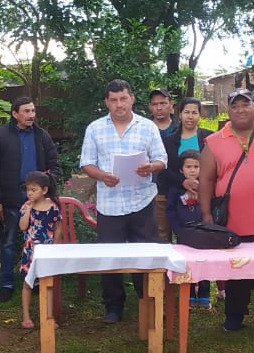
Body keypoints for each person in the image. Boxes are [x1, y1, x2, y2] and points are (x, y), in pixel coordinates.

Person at [79, 79, 168, 323]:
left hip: (142, 201)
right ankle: (113, 306)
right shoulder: (95, 128)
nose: (119, 104)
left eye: (123, 99)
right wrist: (102, 175)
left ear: (132, 99)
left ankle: (149, 299)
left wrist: (150, 166)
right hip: (110, 204)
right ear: (107, 102)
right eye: (114, 100)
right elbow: (87, 163)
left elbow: (162, 159)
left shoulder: (147, 127)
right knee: (110, 256)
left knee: (146, 254)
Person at [199, 87, 254, 332]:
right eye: (234, 106)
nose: (240, 110)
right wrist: (206, 214)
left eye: (245, 104)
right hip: (234, 221)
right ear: (228, 111)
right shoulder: (214, 141)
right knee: (237, 271)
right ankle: (235, 315)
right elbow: (206, 180)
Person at [0, 96, 59, 302]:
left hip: (38, 203)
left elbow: (54, 164)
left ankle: (36, 280)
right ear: (15, 114)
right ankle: (6, 284)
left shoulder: (42, 136)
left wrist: (46, 188)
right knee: (8, 243)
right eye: (26, 111)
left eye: (33, 111)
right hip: (10, 198)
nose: (31, 115)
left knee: (38, 242)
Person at [165, 150, 211, 309]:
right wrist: (177, 229)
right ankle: (189, 293)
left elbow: (211, 206)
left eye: (196, 167)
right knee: (186, 262)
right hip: (183, 233)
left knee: (204, 261)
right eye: (188, 167)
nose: (192, 170)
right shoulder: (175, 190)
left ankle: (204, 294)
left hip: (203, 233)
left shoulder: (206, 186)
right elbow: (170, 211)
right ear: (181, 169)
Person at [17, 170, 61, 330]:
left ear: (44, 190)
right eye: (28, 189)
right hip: (30, 252)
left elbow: (58, 227)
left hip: (46, 252)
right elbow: (22, 227)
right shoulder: (26, 206)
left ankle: (49, 317)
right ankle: (26, 316)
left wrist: (54, 246)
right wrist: (28, 211)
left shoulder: (52, 207)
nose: (29, 193)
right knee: (27, 283)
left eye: (33, 190)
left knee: (47, 283)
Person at [148, 88, 180, 242]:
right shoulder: (143, 129)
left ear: (171, 104)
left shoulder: (182, 127)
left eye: (163, 103)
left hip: (181, 187)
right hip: (156, 189)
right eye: (155, 104)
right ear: (150, 106)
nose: (159, 108)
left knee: (185, 232)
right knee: (160, 234)